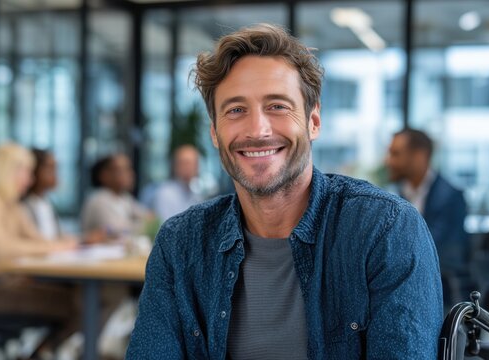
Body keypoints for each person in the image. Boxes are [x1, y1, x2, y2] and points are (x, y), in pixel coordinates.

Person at [126, 24, 443, 359]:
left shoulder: (386, 230)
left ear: (314, 121)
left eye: (277, 106)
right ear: (215, 133)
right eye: (236, 110)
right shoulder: (180, 243)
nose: (258, 130)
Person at [0, 143, 79, 359]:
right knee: (77, 304)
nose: (29, 179)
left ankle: (36, 354)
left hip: (5, 283)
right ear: (7, 171)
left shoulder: (12, 204)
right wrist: (57, 246)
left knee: (81, 298)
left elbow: (40, 240)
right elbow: (1, 249)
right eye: (26, 172)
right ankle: (37, 354)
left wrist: (72, 242)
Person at [385, 128, 469, 304]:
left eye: (396, 154)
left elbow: (436, 251)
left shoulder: (451, 197)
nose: (388, 161)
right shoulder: (394, 197)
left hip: (441, 294)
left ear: (419, 156)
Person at [23, 148, 106, 243]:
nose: (55, 174)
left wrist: (84, 239)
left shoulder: (46, 202)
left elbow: (58, 237)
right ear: (34, 170)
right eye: (50, 168)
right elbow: (40, 241)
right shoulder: (24, 205)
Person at [81, 153, 151, 239]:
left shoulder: (124, 198)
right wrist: (142, 225)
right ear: (104, 175)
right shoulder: (99, 199)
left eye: (129, 169)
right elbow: (115, 232)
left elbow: (151, 218)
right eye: (122, 170)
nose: (130, 174)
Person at [148, 144, 203, 222]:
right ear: (176, 166)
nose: (189, 168)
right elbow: (167, 226)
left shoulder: (196, 196)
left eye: (194, 163)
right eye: (185, 163)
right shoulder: (165, 193)